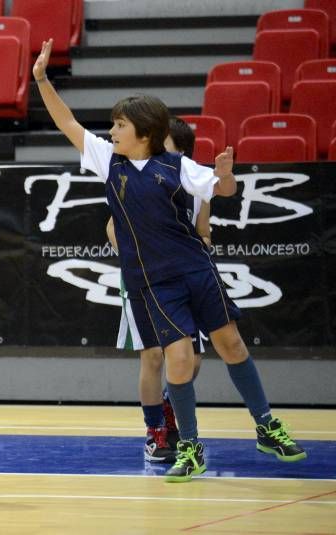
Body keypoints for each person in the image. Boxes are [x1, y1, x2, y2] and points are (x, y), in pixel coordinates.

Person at [33, 38, 306, 483]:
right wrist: (42, 78)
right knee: (178, 359)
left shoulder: (176, 166)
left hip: (196, 270)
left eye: (119, 124)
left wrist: (224, 176)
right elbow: (66, 120)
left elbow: (222, 190)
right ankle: (191, 447)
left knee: (231, 345)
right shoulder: (108, 163)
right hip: (153, 281)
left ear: (143, 131)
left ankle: (266, 426)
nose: (111, 131)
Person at [107, 117, 208, 462]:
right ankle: (156, 433)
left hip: (182, 276)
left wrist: (198, 248)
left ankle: (169, 405)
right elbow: (111, 227)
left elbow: (204, 231)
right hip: (143, 276)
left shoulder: (192, 183)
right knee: (152, 356)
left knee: (191, 361)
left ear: (180, 154)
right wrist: (136, 258)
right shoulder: (134, 177)